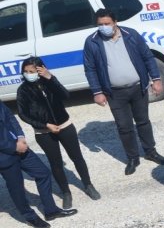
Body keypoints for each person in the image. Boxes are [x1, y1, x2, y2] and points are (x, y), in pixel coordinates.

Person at [83, 7, 164, 176]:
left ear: (115, 22)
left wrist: (156, 79)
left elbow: (147, 57)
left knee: (143, 121)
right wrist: (97, 92)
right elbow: (90, 69)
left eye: (107, 23)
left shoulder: (131, 35)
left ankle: (150, 151)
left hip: (138, 87)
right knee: (124, 127)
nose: (103, 27)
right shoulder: (92, 42)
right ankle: (132, 158)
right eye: (100, 24)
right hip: (115, 93)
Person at [16, 57, 101, 209]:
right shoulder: (23, 90)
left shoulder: (49, 82)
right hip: (44, 132)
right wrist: (45, 125)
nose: (29, 74)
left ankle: (88, 185)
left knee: (77, 157)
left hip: (65, 126)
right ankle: (66, 193)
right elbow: (24, 114)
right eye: (26, 72)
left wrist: (50, 78)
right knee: (55, 163)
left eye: (32, 71)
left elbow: (65, 95)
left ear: (41, 70)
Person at [0, 101, 77, 228]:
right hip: (4, 156)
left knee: (43, 173)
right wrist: (13, 147)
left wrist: (20, 136)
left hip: (21, 147)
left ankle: (51, 211)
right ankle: (29, 216)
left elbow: (10, 117)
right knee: (17, 187)